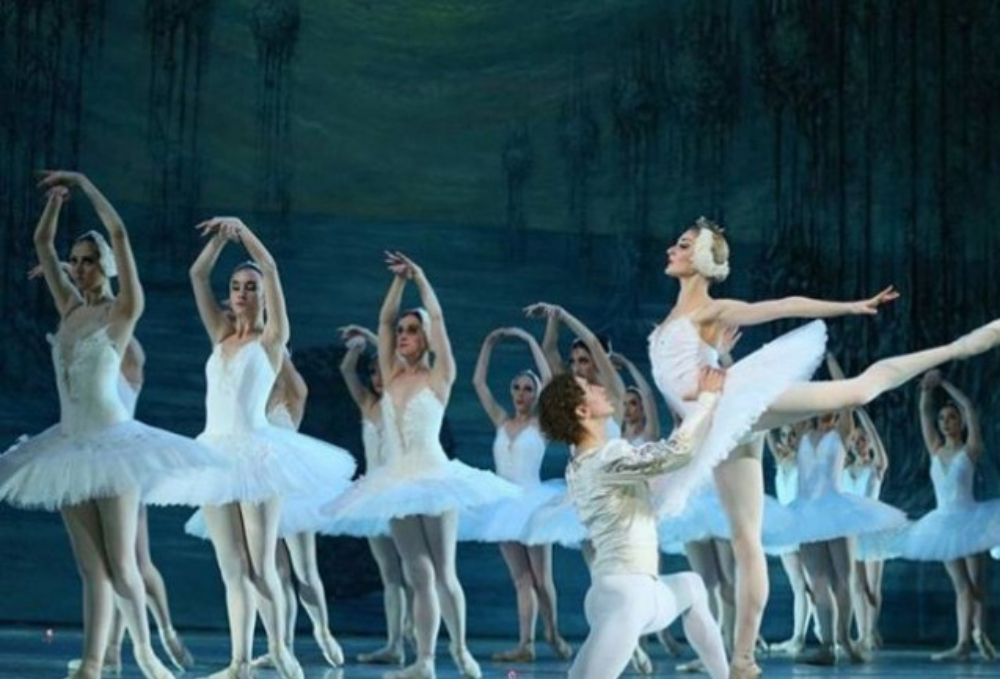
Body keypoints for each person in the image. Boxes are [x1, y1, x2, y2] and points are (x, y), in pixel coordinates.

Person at [649, 216, 1000, 678]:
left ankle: (957, 347)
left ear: (698, 259)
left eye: (682, 244)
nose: (672, 250)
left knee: (857, 391)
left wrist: (851, 306)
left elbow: (784, 305)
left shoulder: (713, 310)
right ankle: (744, 661)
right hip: (716, 426)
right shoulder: (672, 321)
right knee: (745, 538)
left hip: (734, 403)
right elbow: (680, 382)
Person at [0, 172, 222, 679]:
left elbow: (119, 233)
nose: (79, 269)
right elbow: (41, 243)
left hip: (115, 446)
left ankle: (145, 654)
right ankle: (93, 664)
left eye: (88, 261)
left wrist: (84, 184)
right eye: (75, 261)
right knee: (91, 568)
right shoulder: (69, 308)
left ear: (106, 265)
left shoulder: (124, 312)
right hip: (68, 446)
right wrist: (56, 203)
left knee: (124, 564)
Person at [325, 253, 517, 679]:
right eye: (402, 332)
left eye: (413, 330)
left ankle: (461, 649)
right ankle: (425, 661)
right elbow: (384, 320)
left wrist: (422, 278)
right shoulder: (391, 376)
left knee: (444, 571)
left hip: (433, 476)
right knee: (417, 573)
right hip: (395, 480)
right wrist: (398, 281)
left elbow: (439, 317)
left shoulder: (439, 376)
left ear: (427, 338)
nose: (404, 336)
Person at [537, 369, 730, 679]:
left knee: (693, 586)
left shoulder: (577, 464)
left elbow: (655, 476)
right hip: (631, 596)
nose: (600, 388)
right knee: (692, 588)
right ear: (582, 411)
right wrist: (706, 401)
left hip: (609, 592)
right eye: (590, 387)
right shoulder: (609, 456)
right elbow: (676, 453)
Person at [461, 326, 572, 661]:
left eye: (528, 389)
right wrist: (488, 343)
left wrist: (528, 340)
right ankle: (526, 644)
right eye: (517, 388)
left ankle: (553, 632)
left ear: (536, 395)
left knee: (541, 578)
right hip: (504, 506)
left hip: (534, 504)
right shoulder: (501, 420)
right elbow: (478, 384)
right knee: (522, 579)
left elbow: (551, 382)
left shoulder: (542, 425)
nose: (521, 394)